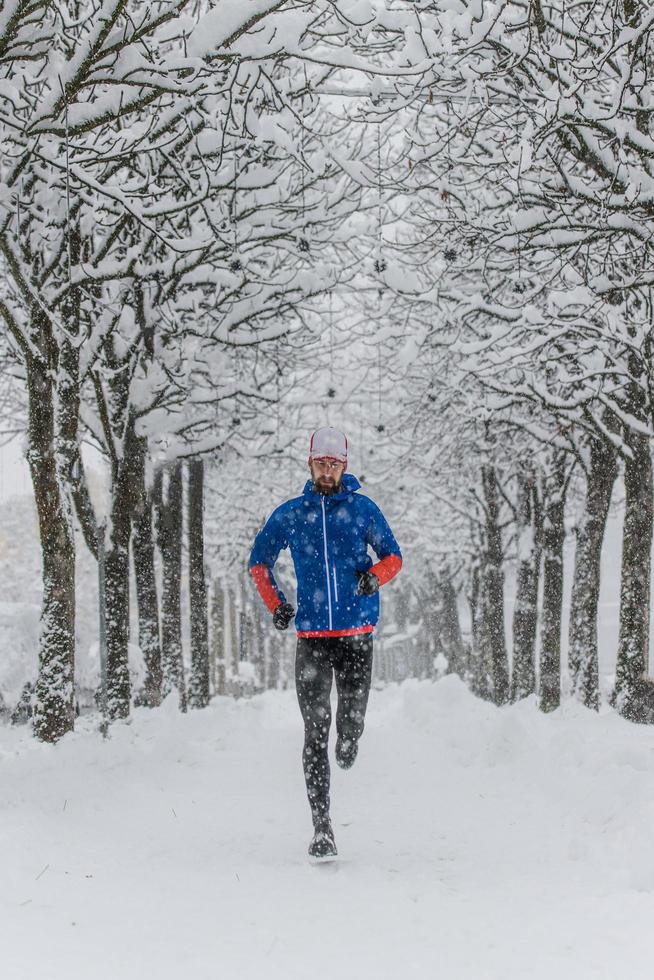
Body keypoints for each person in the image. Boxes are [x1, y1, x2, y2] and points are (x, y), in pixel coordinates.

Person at [248, 427, 402, 857]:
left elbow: (394, 556)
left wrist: (375, 577)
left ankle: (351, 736)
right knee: (314, 730)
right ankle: (322, 827)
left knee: (348, 724)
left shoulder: (362, 509)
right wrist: (276, 603)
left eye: (334, 464)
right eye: (321, 463)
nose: (327, 470)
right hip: (312, 638)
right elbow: (258, 562)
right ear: (310, 464)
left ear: (344, 467)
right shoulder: (291, 514)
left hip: (356, 635)